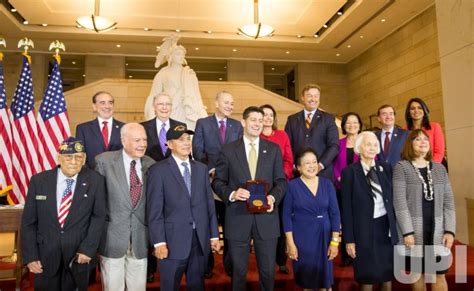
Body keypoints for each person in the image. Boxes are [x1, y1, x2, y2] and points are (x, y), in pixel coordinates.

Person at [212, 106, 287, 291]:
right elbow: (218, 181)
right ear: (243, 122)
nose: (257, 124)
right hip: (238, 218)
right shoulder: (228, 150)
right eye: (253, 120)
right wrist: (232, 194)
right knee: (238, 272)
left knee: (268, 272)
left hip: (267, 219)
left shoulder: (274, 149)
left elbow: (281, 181)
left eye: (260, 121)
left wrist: (273, 198)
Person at [21, 137, 106, 291]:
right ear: (59, 158)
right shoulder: (38, 181)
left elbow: (99, 217)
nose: (74, 161)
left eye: (78, 157)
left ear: (84, 158)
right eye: (68, 157)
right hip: (45, 255)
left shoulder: (96, 181)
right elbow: (29, 222)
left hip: (79, 256)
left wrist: (88, 249)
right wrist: (30, 256)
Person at [147, 124, 221, 291]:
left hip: (199, 241)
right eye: (181, 140)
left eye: (188, 139)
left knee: (197, 286)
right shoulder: (158, 171)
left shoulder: (201, 169)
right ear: (170, 144)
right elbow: (154, 211)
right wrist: (159, 242)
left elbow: (209, 204)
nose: (187, 143)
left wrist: (214, 235)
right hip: (172, 243)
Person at [94, 123, 156, 291]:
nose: (142, 144)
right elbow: (96, 203)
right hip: (112, 238)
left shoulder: (151, 164)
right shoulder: (103, 161)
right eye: (137, 140)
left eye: (144, 140)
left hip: (140, 239)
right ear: (123, 140)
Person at [393, 129, 455, 291]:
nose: (423, 142)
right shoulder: (402, 167)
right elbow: (399, 203)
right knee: (417, 273)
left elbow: (449, 202)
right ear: (409, 144)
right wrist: (407, 232)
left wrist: (450, 231)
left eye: (425, 139)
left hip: (438, 231)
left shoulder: (440, 168)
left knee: (439, 273)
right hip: (414, 232)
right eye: (417, 139)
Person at [192, 90, 243, 278]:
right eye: (227, 102)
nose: (230, 106)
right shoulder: (202, 124)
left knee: (230, 226)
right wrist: (211, 169)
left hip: (230, 186)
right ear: (216, 103)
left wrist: (225, 172)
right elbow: (197, 150)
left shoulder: (237, 125)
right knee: (207, 225)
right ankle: (207, 266)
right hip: (208, 182)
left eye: (232, 103)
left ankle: (230, 264)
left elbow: (239, 152)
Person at [341, 131, 398, 291]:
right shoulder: (349, 172)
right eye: (368, 144)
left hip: (384, 228)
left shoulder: (386, 168)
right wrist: (349, 239)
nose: (372, 148)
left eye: (375, 145)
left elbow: (392, 200)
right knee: (367, 275)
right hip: (363, 230)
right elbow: (346, 208)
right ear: (359, 148)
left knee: (387, 274)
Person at [141, 92, 186, 282]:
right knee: (152, 221)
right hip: (149, 182)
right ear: (154, 105)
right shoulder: (143, 128)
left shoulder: (180, 127)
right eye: (161, 104)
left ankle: (176, 263)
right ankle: (151, 268)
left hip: (175, 185)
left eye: (168, 104)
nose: (165, 107)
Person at [283, 147, 340, 289]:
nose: (312, 166)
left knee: (325, 282)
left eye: (314, 162)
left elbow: (335, 214)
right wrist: (290, 243)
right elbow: (286, 216)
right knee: (307, 281)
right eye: (307, 163)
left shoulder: (327, 184)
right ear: (299, 167)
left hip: (325, 237)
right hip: (302, 238)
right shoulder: (292, 186)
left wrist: (334, 242)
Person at [144, 36, 207, 130]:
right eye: (178, 54)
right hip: (169, 111)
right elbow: (154, 95)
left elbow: (197, 97)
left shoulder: (189, 74)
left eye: (182, 54)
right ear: (171, 56)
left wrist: (202, 114)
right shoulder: (163, 73)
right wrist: (150, 114)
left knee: (185, 137)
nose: (181, 56)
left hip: (185, 110)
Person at [259, 104, 293, 274]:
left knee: (280, 223)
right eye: (264, 114)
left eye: (271, 114)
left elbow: (288, 159)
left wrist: (281, 175)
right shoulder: (254, 136)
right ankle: (264, 259)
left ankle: (281, 260)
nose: (268, 118)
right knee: (263, 225)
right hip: (260, 187)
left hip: (280, 185)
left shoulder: (282, 135)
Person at [285, 84, 339, 180]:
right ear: (302, 98)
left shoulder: (328, 119)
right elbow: (287, 146)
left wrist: (320, 165)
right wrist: (294, 165)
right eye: (309, 95)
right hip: (298, 174)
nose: (313, 99)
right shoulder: (292, 120)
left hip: (322, 174)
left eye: (316, 96)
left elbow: (334, 146)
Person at [333, 112, 362, 266]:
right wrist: (338, 177)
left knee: (360, 221)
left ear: (359, 124)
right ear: (343, 125)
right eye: (348, 123)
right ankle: (346, 256)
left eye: (355, 122)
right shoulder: (339, 143)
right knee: (345, 221)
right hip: (341, 188)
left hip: (361, 190)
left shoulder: (366, 142)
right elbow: (334, 164)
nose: (352, 125)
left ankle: (360, 254)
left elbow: (373, 162)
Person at [76, 91, 124, 168]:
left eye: (110, 103)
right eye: (102, 103)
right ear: (94, 106)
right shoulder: (83, 129)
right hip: (92, 176)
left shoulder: (124, 127)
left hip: (117, 177)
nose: (107, 106)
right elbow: (80, 156)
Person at [404, 97, 445, 163]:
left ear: (424, 111)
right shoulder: (404, 130)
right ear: (408, 112)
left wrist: (429, 167)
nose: (416, 111)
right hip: (410, 168)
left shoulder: (435, 127)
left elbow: (439, 152)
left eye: (419, 108)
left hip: (432, 167)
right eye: (412, 108)